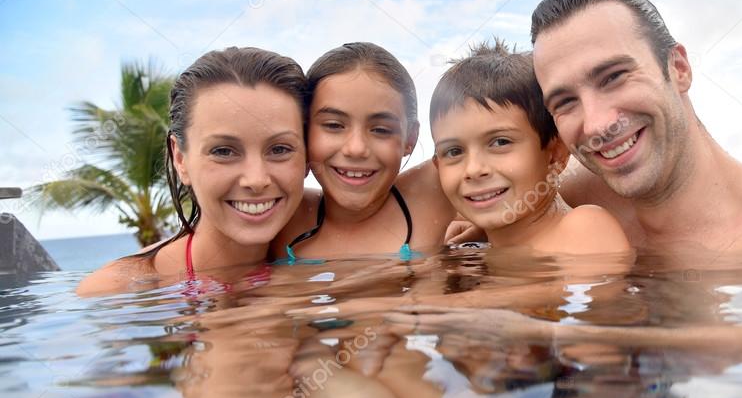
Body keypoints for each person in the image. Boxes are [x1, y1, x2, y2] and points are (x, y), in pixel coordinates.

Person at [476, 0, 742, 257]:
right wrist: (493, 221)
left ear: (679, 68)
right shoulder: (559, 200)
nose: (597, 125)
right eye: (565, 102)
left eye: (614, 77)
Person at [78, 46, 309, 296]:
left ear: (308, 155)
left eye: (280, 149)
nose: (256, 180)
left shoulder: (328, 252)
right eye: (223, 151)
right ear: (180, 159)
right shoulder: (119, 292)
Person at [430, 39, 630, 255]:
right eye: (454, 151)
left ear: (555, 155)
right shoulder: (473, 248)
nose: (473, 170)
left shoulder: (584, 228)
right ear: (437, 165)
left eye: (500, 142)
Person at [273, 42, 454, 261]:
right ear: (304, 130)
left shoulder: (436, 192)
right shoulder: (277, 211)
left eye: (380, 129)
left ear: (411, 138)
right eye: (333, 125)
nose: (356, 149)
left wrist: (488, 229)